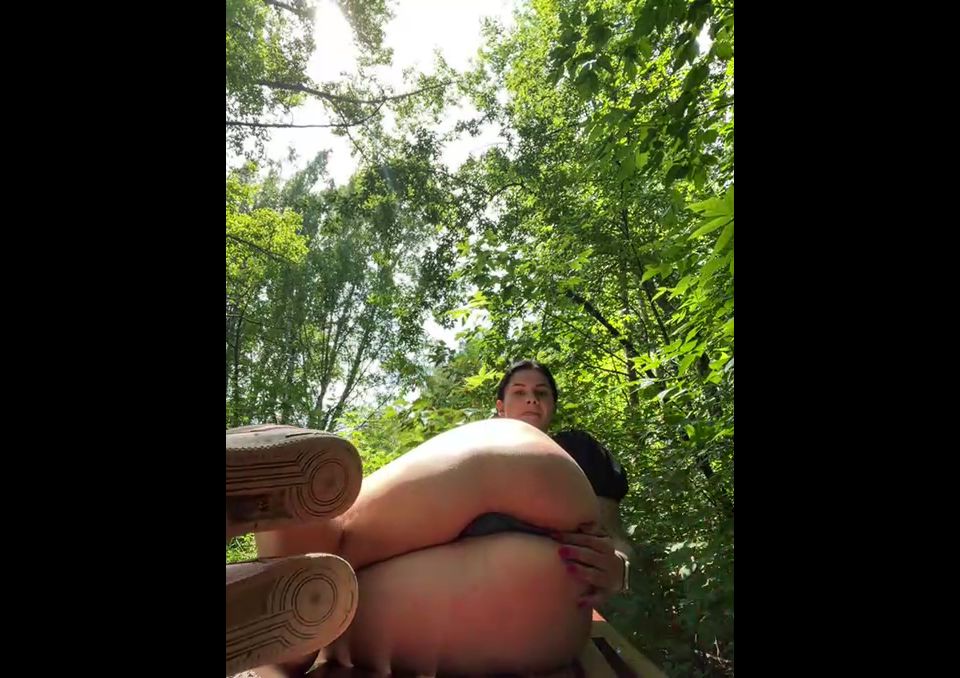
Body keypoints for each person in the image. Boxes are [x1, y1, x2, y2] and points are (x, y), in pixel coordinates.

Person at [226, 360, 634, 676]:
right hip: (532, 604)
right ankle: (291, 625)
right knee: (339, 605)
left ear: (553, 406)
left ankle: (285, 590)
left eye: (542, 394)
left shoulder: (580, 448)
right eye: (520, 392)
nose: (532, 400)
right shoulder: (486, 436)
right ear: (499, 406)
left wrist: (618, 569)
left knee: (338, 555)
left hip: (551, 580)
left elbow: (613, 536)